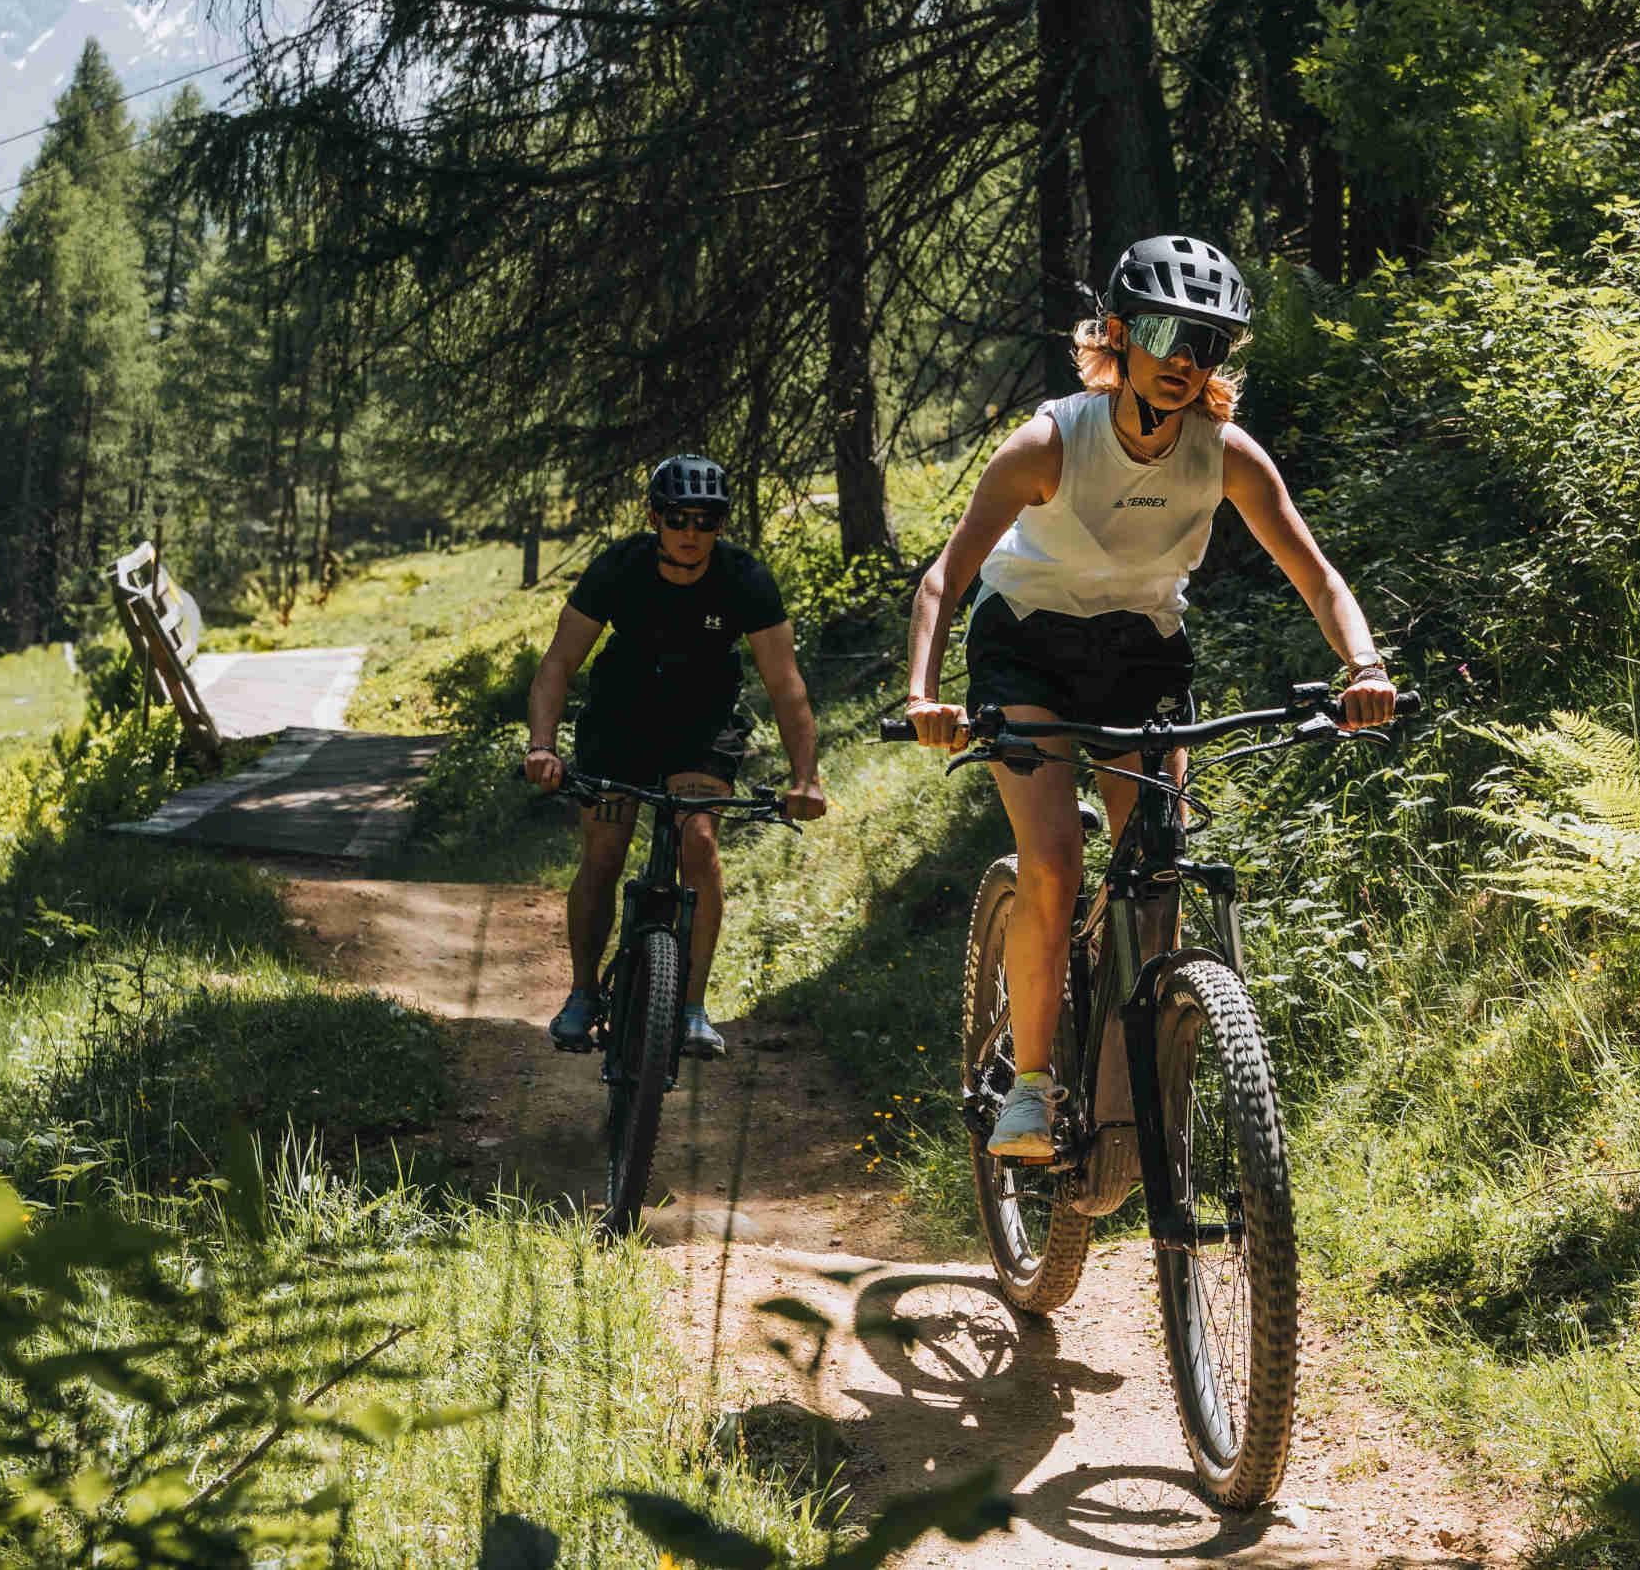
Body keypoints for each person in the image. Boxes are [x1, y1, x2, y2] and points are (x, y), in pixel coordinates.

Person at [899, 235, 1396, 1156]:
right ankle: (1031, 1085)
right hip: (1028, 645)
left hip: (1143, 653)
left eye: (1207, 343)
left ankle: (1130, 1098)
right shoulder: (1050, 443)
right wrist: (925, 695)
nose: (1184, 360)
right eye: (1166, 334)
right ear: (1120, 335)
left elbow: (1319, 578)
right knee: (1054, 860)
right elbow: (946, 576)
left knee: (1157, 869)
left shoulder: (1225, 455)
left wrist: (1365, 668)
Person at [525, 455, 829, 1059]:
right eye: (677, 518)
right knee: (605, 851)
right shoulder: (619, 568)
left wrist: (807, 777)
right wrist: (542, 746)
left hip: (702, 726)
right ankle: (582, 993)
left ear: (721, 524)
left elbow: (785, 684)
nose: (691, 532)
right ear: (654, 518)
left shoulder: (744, 578)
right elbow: (558, 663)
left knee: (699, 842)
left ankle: (691, 1008)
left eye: (706, 520)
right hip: (619, 721)